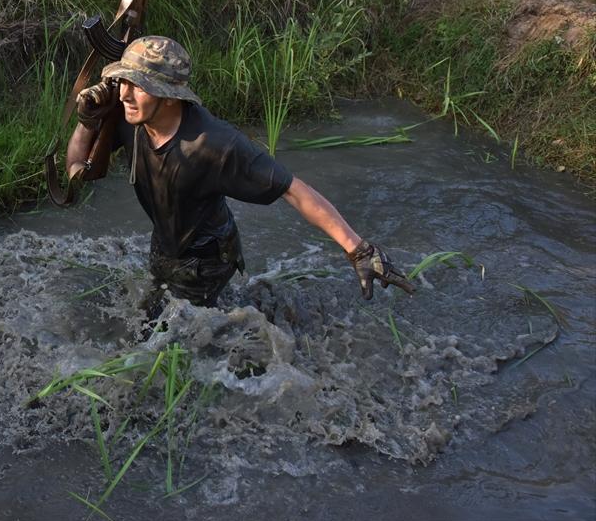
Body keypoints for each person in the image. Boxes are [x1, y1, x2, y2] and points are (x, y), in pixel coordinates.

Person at [66, 35, 414, 314]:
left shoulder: (216, 145)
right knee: (152, 315)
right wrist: (88, 121)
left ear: (170, 96)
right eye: (123, 81)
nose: (124, 93)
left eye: (137, 85)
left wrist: (358, 250)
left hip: (207, 259)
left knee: (168, 344)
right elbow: (76, 172)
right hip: (165, 245)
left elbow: (293, 189)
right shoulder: (131, 118)